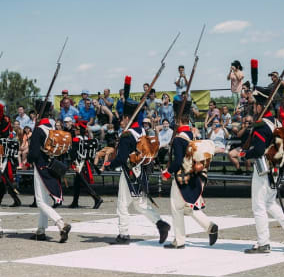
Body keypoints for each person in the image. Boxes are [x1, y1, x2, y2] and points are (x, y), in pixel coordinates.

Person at [240, 88, 284, 253]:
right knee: (269, 203)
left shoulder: (261, 126)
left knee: (259, 207)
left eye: (255, 105)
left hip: (263, 169)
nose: (253, 108)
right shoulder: (277, 122)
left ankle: (263, 243)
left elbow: (259, 149)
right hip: (275, 170)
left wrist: (246, 154)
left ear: (260, 107)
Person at [106, 100, 170, 245]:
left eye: (123, 118)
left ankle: (124, 234)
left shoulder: (127, 135)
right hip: (140, 171)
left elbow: (122, 158)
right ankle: (160, 224)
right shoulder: (141, 130)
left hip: (129, 172)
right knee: (140, 204)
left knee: (122, 204)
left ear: (128, 118)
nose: (121, 121)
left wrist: (110, 164)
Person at [161, 104, 218, 249]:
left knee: (176, 208)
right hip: (192, 175)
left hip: (181, 176)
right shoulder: (192, 134)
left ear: (179, 120)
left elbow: (178, 160)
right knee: (187, 207)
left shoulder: (179, 138)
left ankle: (179, 241)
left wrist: (167, 172)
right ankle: (209, 226)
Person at [28, 100, 71, 242]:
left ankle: (60, 223)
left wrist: (27, 159)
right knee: (44, 199)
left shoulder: (38, 130)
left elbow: (33, 154)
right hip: (50, 165)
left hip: (40, 167)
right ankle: (40, 231)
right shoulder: (51, 128)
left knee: (40, 201)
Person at [69, 119, 103, 209]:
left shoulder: (76, 139)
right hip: (85, 164)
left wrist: (73, 164)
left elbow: (73, 154)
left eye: (76, 128)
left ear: (80, 130)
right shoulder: (86, 139)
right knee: (77, 183)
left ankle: (97, 198)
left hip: (79, 164)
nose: (74, 130)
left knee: (84, 184)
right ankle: (75, 202)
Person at [0, 103, 21, 207]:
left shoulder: (4, 121)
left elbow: (4, 134)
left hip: (3, 153)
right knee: (3, 178)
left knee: (5, 178)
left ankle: (16, 199)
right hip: (3, 152)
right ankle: (15, 199)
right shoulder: (5, 120)